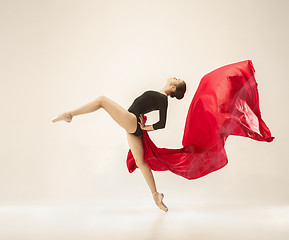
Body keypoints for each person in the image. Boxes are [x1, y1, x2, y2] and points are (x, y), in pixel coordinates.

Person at [52, 77, 187, 212]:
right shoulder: (160, 96)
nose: (174, 77)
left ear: (174, 87)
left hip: (132, 120)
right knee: (140, 162)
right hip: (133, 123)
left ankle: (69, 114)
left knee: (102, 100)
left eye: (177, 79)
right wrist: (144, 127)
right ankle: (156, 196)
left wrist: (146, 128)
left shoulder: (163, 98)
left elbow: (162, 123)